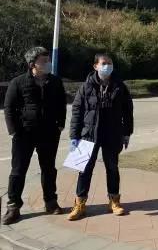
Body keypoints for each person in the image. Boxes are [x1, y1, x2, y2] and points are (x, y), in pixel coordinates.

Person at [2, 47, 66, 225]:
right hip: (24, 133)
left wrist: (60, 124)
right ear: (32, 64)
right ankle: (13, 206)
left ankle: (50, 202)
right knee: (18, 170)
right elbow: (9, 108)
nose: (48, 63)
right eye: (43, 60)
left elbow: (61, 104)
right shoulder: (18, 82)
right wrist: (13, 130)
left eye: (48, 59)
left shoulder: (55, 82)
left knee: (49, 169)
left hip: (49, 132)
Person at [67, 53, 133, 221]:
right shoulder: (86, 87)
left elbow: (128, 111)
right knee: (85, 169)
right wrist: (74, 136)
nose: (107, 66)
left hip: (112, 133)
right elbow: (77, 111)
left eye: (110, 63)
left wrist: (126, 133)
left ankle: (114, 201)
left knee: (112, 168)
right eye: (104, 63)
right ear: (95, 66)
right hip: (89, 134)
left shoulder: (120, 86)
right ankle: (80, 204)